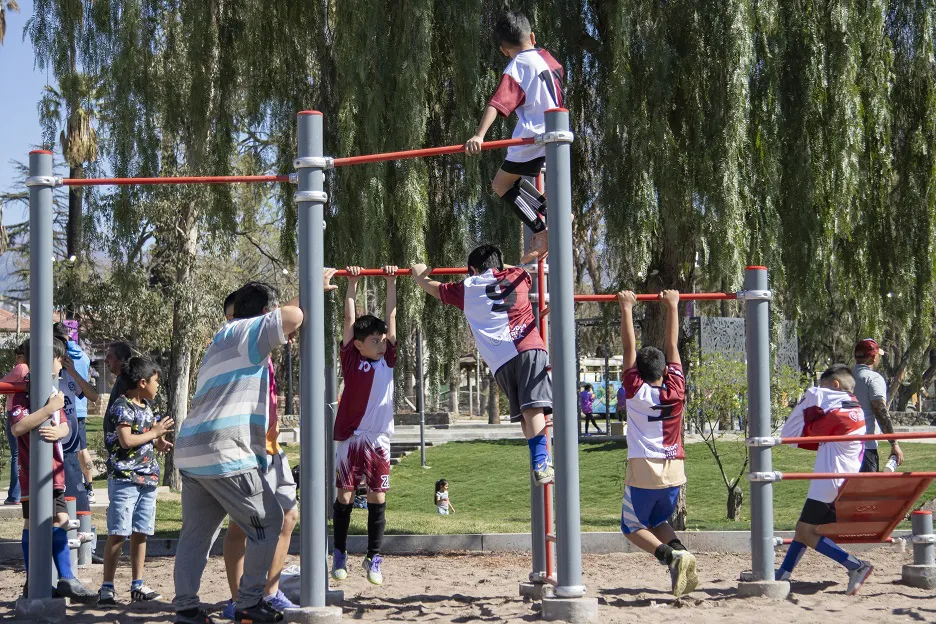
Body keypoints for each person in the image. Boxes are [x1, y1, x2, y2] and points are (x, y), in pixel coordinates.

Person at [172, 272, 337, 624]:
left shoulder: (221, 338)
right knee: (269, 520)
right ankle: (249, 602)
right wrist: (310, 291)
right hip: (225, 453)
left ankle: (185, 607)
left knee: (196, 536)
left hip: (194, 452)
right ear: (265, 313)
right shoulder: (246, 332)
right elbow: (293, 317)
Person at [412, 245, 554, 485]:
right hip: (528, 346)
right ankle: (541, 461)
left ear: (473, 270)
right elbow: (516, 269)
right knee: (533, 410)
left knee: (525, 414)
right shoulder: (519, 276)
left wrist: (418, 276)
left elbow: (433, 289)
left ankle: (539, 460)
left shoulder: (466, 288)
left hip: (501, 362)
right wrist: (512, 264)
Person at [222, 287, 301, 619]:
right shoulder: (237, 339)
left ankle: (269, 592)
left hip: (271, 447)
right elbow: (287, 317)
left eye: (235, 316)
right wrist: (308, 287)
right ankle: (240, 598)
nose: (231, 323)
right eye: (228, 318)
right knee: (242, 527)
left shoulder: (260, 344)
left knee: (288, 517)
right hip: (249, 450)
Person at [464, 10, 564, 262]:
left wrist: (479, 135)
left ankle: (542, 231)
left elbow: (498, 104)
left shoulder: (517, 66)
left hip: (533, 137)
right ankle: (554, 210)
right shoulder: (547, 58)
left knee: (500, 184)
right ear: (532, 36)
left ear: (503, 50)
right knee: (510, 180)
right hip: (558, 132)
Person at [617, 289, 698, 598]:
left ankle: (670, 556)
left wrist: (626, 308)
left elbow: (628, 347)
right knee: (657, 520)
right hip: (675, 469)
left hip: (644, 467)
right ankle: (680, 554)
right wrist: (673, 306)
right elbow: (672, 345)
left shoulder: (635, 391)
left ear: (637, 371)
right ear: (666, 371)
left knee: (631, 527)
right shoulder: (676, 388)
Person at [10, 337, 97, 602]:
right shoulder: (25, 392)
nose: (61, 365)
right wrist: (48, 409)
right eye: (59, 359)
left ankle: (66, 578)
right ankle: (33, 580)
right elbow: (18, 427)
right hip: (33, 473)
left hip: (55, 471)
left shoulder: (52, 391)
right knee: (32, 523)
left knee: (59, 521)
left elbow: (65, 426)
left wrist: (59, 428)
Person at [775, 364, 874, 595]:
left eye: (823, 387)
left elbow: (789, 434)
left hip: (830, 481)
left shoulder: (839, 415)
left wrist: (812, 395)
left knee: (806, 531)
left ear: (835, 386)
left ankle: (855, 565)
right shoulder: (853, 410)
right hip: (838, 479)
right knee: (803, 528)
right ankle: (783, 573)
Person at [330, 265, 398, 586]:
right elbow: (348, 321)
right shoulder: (351, 359)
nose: (381, 343)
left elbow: (392, 320)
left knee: (377, 498)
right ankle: (340, 552)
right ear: (358, 344)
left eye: (382, 339)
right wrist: (352, 285)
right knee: (345, 496)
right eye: (374, 340)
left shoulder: (387, 359)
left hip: (379, 441)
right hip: (351, 438)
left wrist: (390, 282)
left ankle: (374, 556)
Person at [99, 356, 172, 605]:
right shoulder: (122, 406)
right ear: (142, 382)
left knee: (141, 532)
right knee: (119, 532)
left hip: (147, 479)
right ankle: (107, 587)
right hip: (124, 479)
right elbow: (126, 440)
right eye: (155, 381)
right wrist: (154, 433)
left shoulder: (146, 407)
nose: (158, 385)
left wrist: (158, 441)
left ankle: (137, 585)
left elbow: (147, 435)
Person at [53, 322, 99, 504]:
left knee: (73, 485)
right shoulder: (41, 378)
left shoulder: (70, 372)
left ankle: (80, 514)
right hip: (49, 440)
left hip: (69, 439)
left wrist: (72, 371)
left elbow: (93, 395)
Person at [852, 339, 903, 472]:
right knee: (868, 492)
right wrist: (894, 443)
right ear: (874, 357)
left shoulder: (842, 378)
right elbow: (880, 411)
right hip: (865, 447)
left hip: (841, 448)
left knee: (846, 492)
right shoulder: (873, 378)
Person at [2, 341, 28, 505]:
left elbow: (3, 382)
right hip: (25, 412)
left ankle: (14, 495)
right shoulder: (32, 368)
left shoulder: (21, 368)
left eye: (19, 355)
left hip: (14, 412)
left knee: (16, 455)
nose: (17, 359)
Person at [104, 341, 134, 418]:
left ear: (122, 359)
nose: (105, 361)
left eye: (109, 357)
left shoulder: (125, 382)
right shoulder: (120, 379)